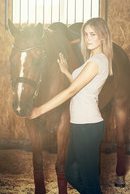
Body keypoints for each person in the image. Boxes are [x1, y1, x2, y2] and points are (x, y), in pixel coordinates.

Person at [29, 17, 113, 193]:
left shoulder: (98, 62)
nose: (88, 38)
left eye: (93, 34)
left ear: (103, 37)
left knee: (89, 179)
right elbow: (81, 88)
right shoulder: (92, 60)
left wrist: (40, 110)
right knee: (71, 173)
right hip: (79, 124)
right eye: (86, 34)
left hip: (88, 126)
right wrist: (67, 72)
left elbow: (71, 92)